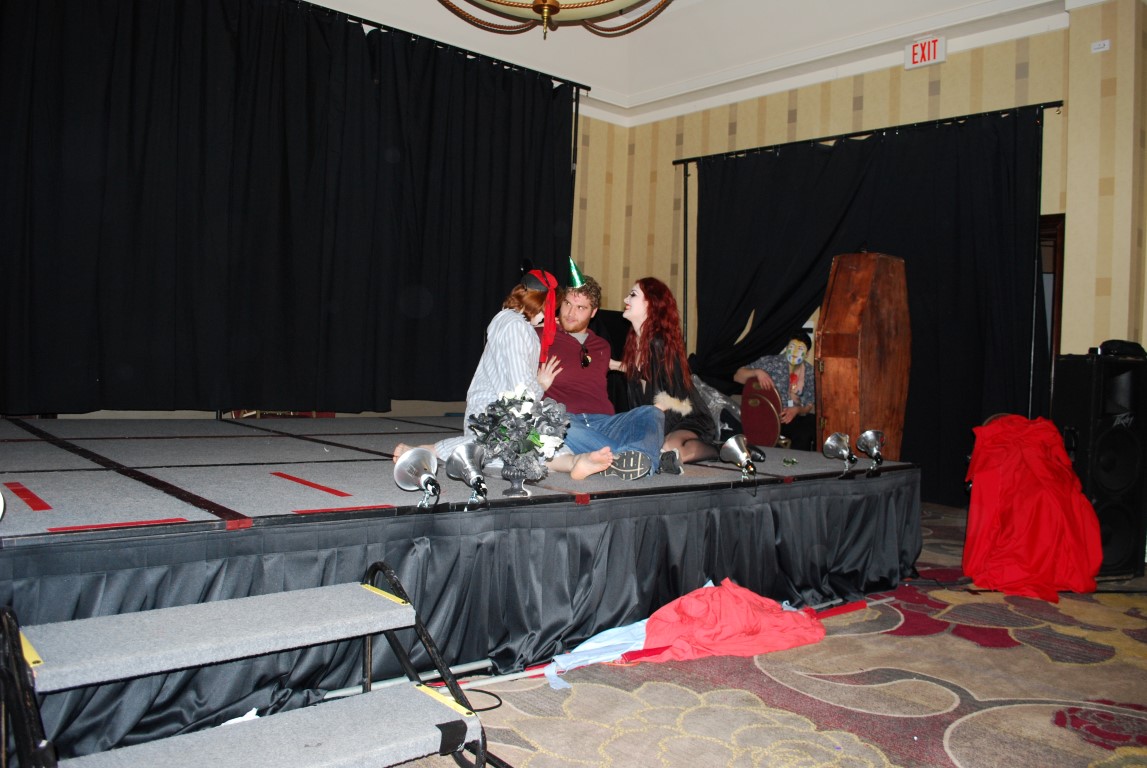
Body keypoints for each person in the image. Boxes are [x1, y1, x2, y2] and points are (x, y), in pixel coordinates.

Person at [394, 269, 614, 480]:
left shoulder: (517, 324)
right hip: (493, 413)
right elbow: (520, 393)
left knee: (537, 443)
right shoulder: (514, 326)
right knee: (504, 443)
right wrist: (541, 384)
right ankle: (426, 450)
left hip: (511, 413)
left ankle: (576, 462)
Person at [544, 272, 665, 479]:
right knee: (554, 425)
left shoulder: (601, 346)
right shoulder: (543, 336)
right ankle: (635, 460)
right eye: (567, 304)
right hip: (566, 420)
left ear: (593, 312)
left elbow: (594, 365)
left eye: (581, 307)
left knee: (652, 413)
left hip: (605, 424)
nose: (571, 313)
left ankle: (624, 459)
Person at [616, 277, 718, 474]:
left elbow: (673, 399)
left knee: (668, 448)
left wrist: (644, 423)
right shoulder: (634, 345)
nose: (625, 299)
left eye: (633, 295)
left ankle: (722, 451)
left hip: (685, 417)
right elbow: (639, 374)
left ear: (651, 303)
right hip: (662, 421)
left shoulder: (659, 344)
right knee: (659, 450)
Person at [733, 331, 817, 451]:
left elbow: (809, 405)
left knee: (811, 424)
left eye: (800, 349)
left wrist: (797, 410)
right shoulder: (771, 362)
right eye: (792, 347)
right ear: (786, 348)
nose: (794, 352)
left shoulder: (810, 372)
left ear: (807, 354)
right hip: (767, 414)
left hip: (792, 416)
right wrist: (757, 372)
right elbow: (737, 376)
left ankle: (800, 460)